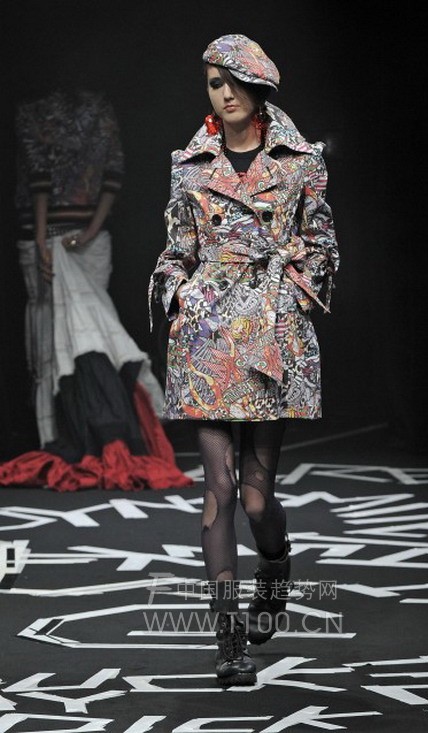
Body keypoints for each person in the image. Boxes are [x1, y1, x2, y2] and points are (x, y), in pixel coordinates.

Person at [149, 34, 339, 686]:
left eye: (234, 81)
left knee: (257, 500)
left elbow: (322, 242)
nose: (224, 94)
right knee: (219, 492)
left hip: (268, 338)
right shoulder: (188, 166)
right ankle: (228, 640)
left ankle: (276, 566)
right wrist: (177, 292)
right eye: (213, 83)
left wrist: (296, 298)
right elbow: (176, 248)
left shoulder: (301, 161)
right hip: (206, 338)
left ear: (258, 85)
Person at [0, 82, 191, 492]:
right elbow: (112, 173)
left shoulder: (37, 109)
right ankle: (92, 430)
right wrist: (90, 229)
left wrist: (45, 239)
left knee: (67, 338)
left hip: (57, 234)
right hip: (83, 234)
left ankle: (66, 434)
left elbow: (41, 175)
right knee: (87, 333)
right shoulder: (96, 108)